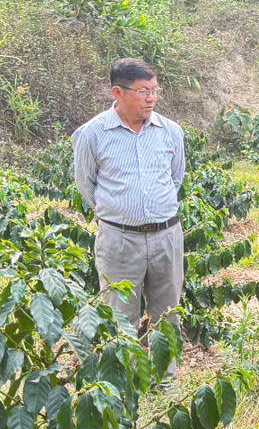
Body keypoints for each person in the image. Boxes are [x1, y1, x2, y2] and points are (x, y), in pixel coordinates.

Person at [73, 58, 185, 371]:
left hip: (166, 237)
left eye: (155, 90)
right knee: (120, 318)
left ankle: (166, 382)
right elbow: (87, 185)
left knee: (168, 315)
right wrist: (120, 214)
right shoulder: (93, 134)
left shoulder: (170, 131)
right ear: (118, 93)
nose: (152, 98)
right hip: (119, 241)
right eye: (143, 91)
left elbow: (175, 178)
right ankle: (127, 385)